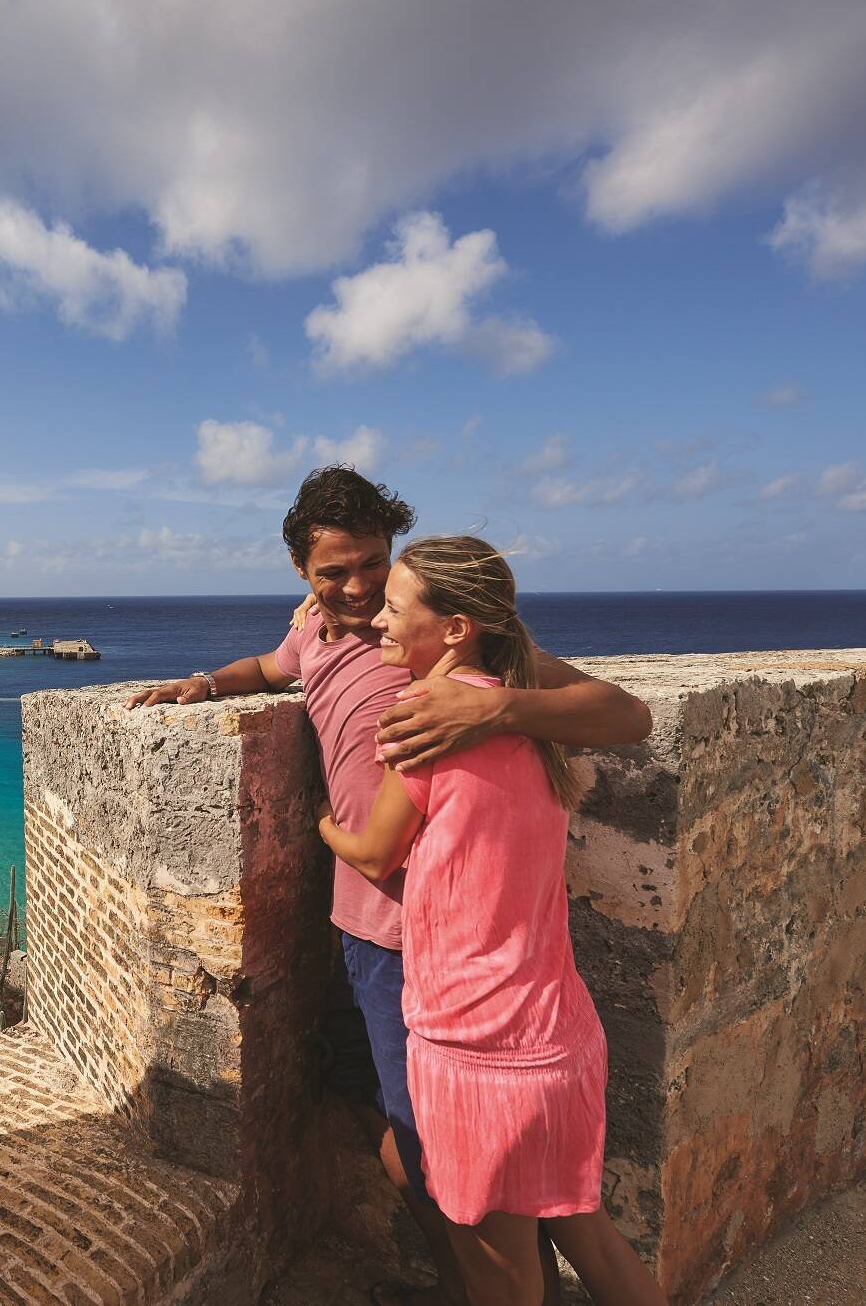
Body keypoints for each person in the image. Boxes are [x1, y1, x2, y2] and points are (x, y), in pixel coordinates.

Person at [123, 467, 652, 1306]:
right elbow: (270, 666)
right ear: (302, 571)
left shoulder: (433, 642)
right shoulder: (317, 634)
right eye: (336, 571)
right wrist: (208, 683)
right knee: (423, 1141)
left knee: (450, 1162)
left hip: (435, 956)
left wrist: (495, 711)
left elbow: (625, 716)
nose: (362, 588)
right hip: (371, 941)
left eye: (374, 564)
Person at [317, 535, 663, 1306]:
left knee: (500, 1285)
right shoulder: (527, 714)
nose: (376, 618)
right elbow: (612, 711)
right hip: (558, 1032)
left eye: (395, 608)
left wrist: (321, 825)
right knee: (593, 1239)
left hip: (476, 1046)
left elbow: (375, 854)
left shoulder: (425, 714)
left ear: (455, 628)